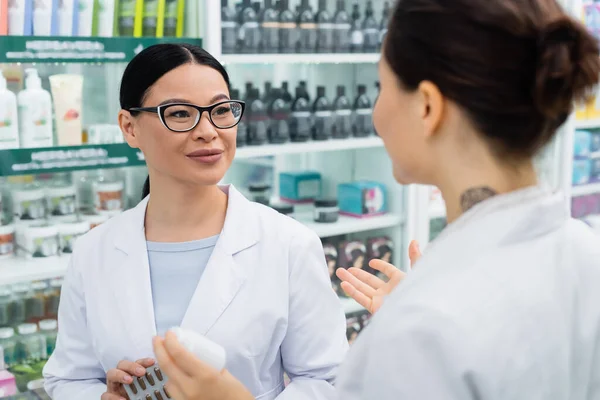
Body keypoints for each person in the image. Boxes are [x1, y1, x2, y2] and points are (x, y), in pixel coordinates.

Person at [149, 0, 600, 398]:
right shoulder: (584, 253)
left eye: (381, 86)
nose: (375, 114)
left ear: (427, 106)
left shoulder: (420, 329)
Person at [42, 44, 348, 400]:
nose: (208, 130)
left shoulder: (288, 244)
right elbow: (69, 379)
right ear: (130, 127)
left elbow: (327, 380)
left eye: (220, 110)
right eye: (180, 114)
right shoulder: (93, 252)